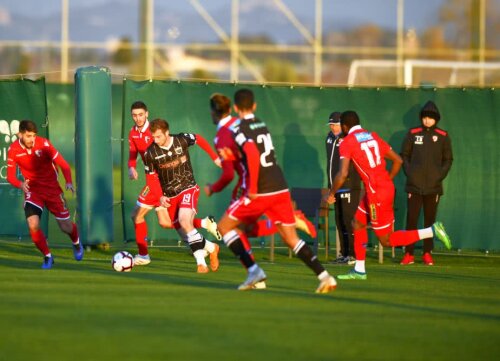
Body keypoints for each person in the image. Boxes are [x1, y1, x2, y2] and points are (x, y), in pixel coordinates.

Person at [216, 88, 337, 293]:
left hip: (261, 189)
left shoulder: (238, 128)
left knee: (224, 227)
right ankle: (325, 277)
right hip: (280, 186)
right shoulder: (261, 124)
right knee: (290, 238)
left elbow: (252, 155)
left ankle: (254, 271)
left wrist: (251, 186)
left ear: (236, 108)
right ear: (254, 106)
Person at [326, 110, 452, 280]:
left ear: (345, 126)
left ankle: (431, 231)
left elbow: (342, 174)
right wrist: (386, 180)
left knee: (385, 240)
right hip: (380, 188)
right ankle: (359, 270)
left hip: (376, 193)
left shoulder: (347, 141)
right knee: (357, 223)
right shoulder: (372, 135)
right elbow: (398, 161)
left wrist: (331, 193)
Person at [204, 93, 316, 248]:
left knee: (234, 227)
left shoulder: (226, 132)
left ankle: (251, 265)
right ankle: (252, 266)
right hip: (258, 179)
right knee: (238, 228)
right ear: (231, 109)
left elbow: (233, 169)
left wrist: (213, 187)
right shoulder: (241, 123)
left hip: (250, 183)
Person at [127, 101, 221, 266]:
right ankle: (205, 227)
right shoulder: (133, 133)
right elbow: (133, 153)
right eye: (134, 115)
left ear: (147, 114)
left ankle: (143, 255)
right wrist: (131, 167)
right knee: (166, 223)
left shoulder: (155, 132)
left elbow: (194, 140)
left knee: (137, 215)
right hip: (157, 181)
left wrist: (215, 157)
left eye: (141, 114)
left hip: (163, 183)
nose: (138, 118)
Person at [6, 120, 84, 269]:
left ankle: (76, 242)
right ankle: (48, 256)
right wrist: (21, 184)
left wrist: (68, 182)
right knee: (33, 224)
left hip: (52, 190)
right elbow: (10, 177)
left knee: (65, 227)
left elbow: (64, 165)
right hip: (33, 190)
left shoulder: (44, 144)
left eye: (34, 136)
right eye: (28, 136)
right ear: (20, 134)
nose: (31, 139)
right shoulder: (13, 149)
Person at [400, 101, 453, 266]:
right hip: (414, 187)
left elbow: (448, 159)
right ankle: (408, 254)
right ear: (421, 118)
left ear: (436, 119)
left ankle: (427, 253)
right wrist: (411, 174)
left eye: (431, 118)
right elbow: (404, 156)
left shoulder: (443, 136)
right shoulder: (413, 133)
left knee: (429, 222)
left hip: (434, 187)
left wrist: (438, 176)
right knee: (412, 221)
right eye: (425, 117)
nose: (427, 120)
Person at [325, 111, 361, 265]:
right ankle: (344, 254)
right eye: (331, 125)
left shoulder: (349, 139)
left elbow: (350, 165)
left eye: (336, 124)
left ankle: (353, 254)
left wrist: (347, 180)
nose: (333, 128)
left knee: (348, 220)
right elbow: (331, 164)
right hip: (335, 186)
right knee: (339, 221)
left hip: (349, 186)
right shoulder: (329, 138)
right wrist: (330, 187)